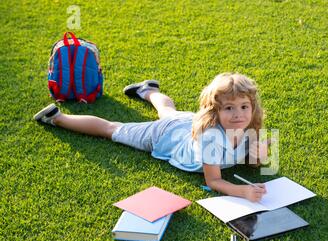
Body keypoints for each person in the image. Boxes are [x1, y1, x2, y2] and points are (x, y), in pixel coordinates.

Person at [34, 72, 270, 202]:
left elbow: (252, 162)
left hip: (184, 123)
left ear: (252, 107)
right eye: (229, 108)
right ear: (215, 112)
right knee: (113, 129)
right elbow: (214, 182)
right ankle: (58, 118)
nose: (238, 114)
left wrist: (260, 156)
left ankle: (148, 90)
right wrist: (244, 191)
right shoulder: (211, 137)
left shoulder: (253, 128)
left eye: (244, 107)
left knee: (168, 111)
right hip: (167, 136)